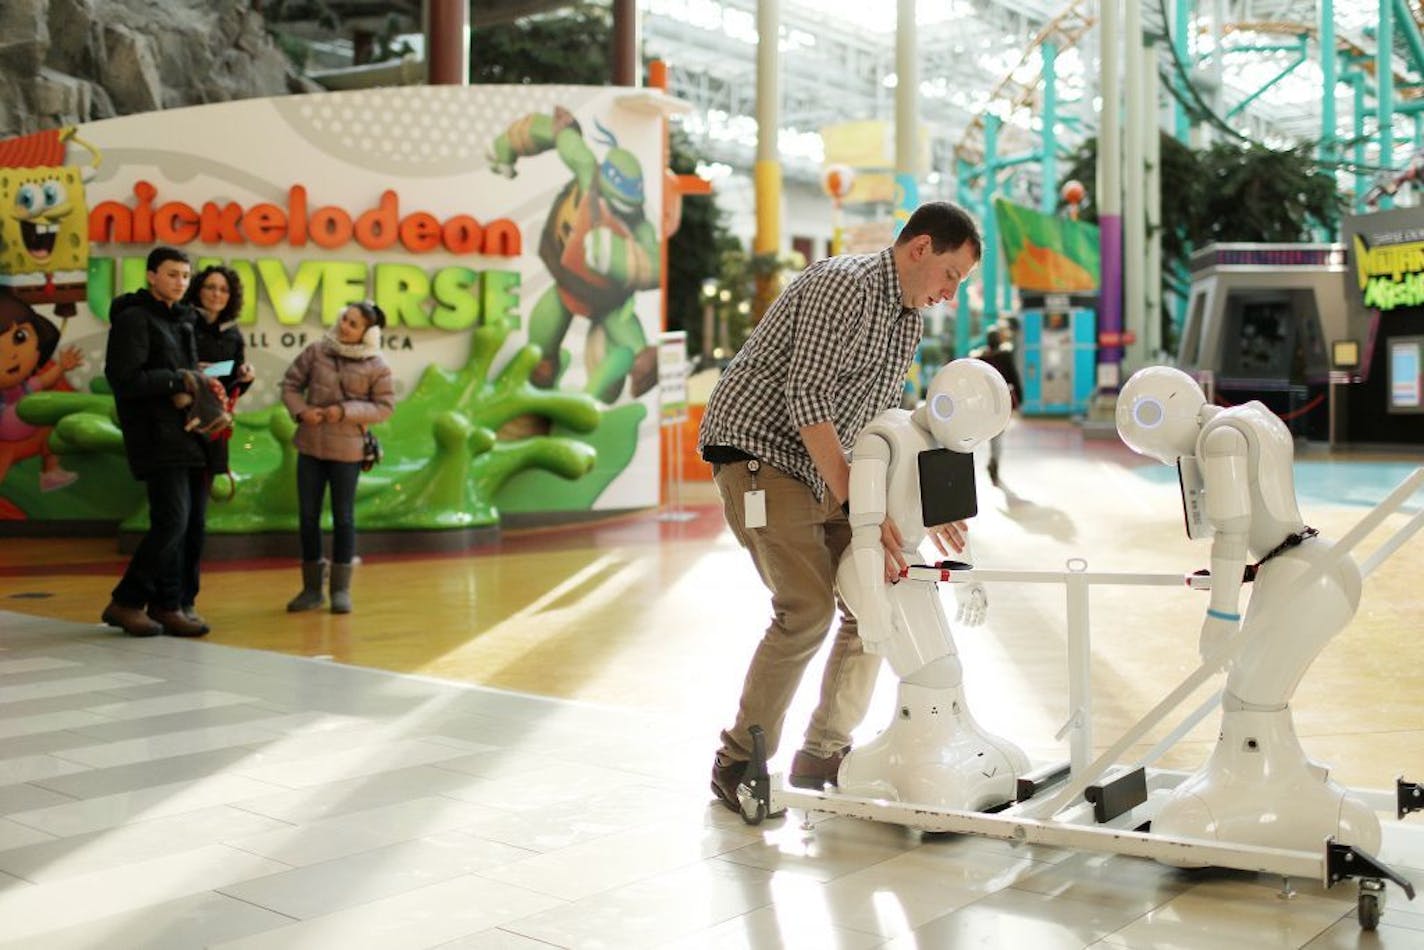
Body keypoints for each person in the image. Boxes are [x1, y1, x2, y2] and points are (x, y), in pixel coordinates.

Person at [698, 201, 982, 811]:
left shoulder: (907, 322)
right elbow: (808, 398)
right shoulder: (842, 285)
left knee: (871, 596)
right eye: (952, 275)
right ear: (919, 249)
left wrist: (927, 502)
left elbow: (885, 424)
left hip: (821, 463)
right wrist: (863, 505)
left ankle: (824, 752)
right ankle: (737, 761)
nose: (950, 292)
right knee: (805, 610)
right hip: (760, 456)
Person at [1115, 365, 1378, 862]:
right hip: (1312, 564)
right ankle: (1281, 778)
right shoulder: (1250, 418)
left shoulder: (1220, 439)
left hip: (1300, 577)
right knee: (1254, 696)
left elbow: (1232, 532)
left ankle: (1271, 799)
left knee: (1248, 702)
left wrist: (1221, 616)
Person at [834, 359, 1029, 808]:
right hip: (874, 565)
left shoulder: (941, 446)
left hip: (910, 564)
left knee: (946, 667)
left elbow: (953, 529)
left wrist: (968, 582)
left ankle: (955, 747)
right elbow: (865, 528)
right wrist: (874, 605)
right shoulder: (884, 437)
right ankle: (908, 760)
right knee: (928, 669)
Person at [100, 246, 210, 638]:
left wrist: (198, 386)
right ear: (151, 275)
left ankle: (166, 605)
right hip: (154, 435)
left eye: (185, 275)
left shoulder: (183, 320)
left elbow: (186, 377)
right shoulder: (134, 319)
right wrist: (177, 380)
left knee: (184, 524)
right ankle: (127, 601)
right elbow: (124, 379)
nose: (180, 282)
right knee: (172, 521)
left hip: (186, 433)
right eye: (172, 274)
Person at [281, 300, 394, 614]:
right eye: (345, 318)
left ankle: (341, 590)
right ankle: (311, 589)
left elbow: (384, 408)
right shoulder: (316, 351)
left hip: (347, 451)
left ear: (367, 334)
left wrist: (344, 412)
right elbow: (290, 385)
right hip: (310, 447)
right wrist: (302, 411)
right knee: (307, 517)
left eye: (354, 324)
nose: (345, 326)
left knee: (344, 518)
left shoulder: (377, 365)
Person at [179, 264, 255, 619]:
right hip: (181, 426)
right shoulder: (184, 322)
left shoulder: (233, 334)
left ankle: (186, 600)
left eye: (223, 290)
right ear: (198, 289)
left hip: (213, 431)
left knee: (197, 523)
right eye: (210, 287)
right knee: (177, 521)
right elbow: (182, 370)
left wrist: (242, 377)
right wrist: (215, 371)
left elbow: (229, 382)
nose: (216, 295)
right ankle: (166, 597)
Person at [974, 325, 1021, 486]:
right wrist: (1020, 397)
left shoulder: (979, 357)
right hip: (1001, 400)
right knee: (998, 434)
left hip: (983, 401)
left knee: (983, 433)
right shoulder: (1005, 356)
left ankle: (989, 461)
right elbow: (1013, 377)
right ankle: (994, 462)